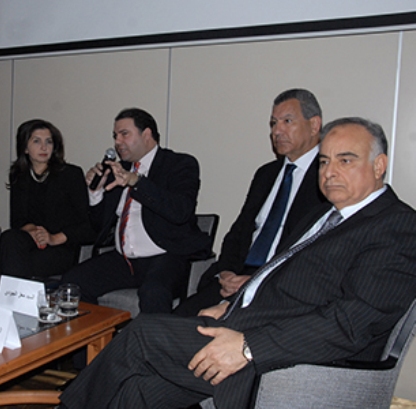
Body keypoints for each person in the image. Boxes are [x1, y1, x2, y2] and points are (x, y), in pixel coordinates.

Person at [58, 117, 416, 409]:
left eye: (346, 159)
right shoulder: (323, 216)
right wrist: (230, 304)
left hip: (290, 360)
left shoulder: (395, 225)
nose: (329, 171)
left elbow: (352, 323)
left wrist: (247, 346)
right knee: (139, 393)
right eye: (324, 161)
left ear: (379, 165)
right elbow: (282, 275)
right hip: (247, 325)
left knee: (140, 336)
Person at [175, 88, 327, 316]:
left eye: (287, 121)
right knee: (177, 320)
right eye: (273, 123)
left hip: (280, 287)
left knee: (205, 333)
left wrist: (258, 280)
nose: (277, 131)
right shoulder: (266, 174)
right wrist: (225, 272)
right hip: (237, 277)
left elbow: (314, 252)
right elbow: (239, 231)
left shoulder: (327, 177)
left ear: (314, 125)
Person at [61, 108, 210, 314]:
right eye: (115, 136)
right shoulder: (118, 170)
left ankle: (151, 346)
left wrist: (137, 182)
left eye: (124, 134)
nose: (117, 142)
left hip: (165, 255)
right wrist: (95, 193)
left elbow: (180, 211)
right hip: (124, 260)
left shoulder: (179, 164)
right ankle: (95, 342)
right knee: (73, 282)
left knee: (154, 292)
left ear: (146, 135)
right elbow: (98, 228)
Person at [0, 119, 94, 283]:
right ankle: (17, 301)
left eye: (49, 142)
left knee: (2, 267)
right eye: (36, 141)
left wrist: (52, 238)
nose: (44, 147)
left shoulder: (70, 175)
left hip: (60, 247)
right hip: (32, 242)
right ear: (25, 147)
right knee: (8, 237)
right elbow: (18, 220)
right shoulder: (19, 175)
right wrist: (34, 231)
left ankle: (13, 303)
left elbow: (87, 227)